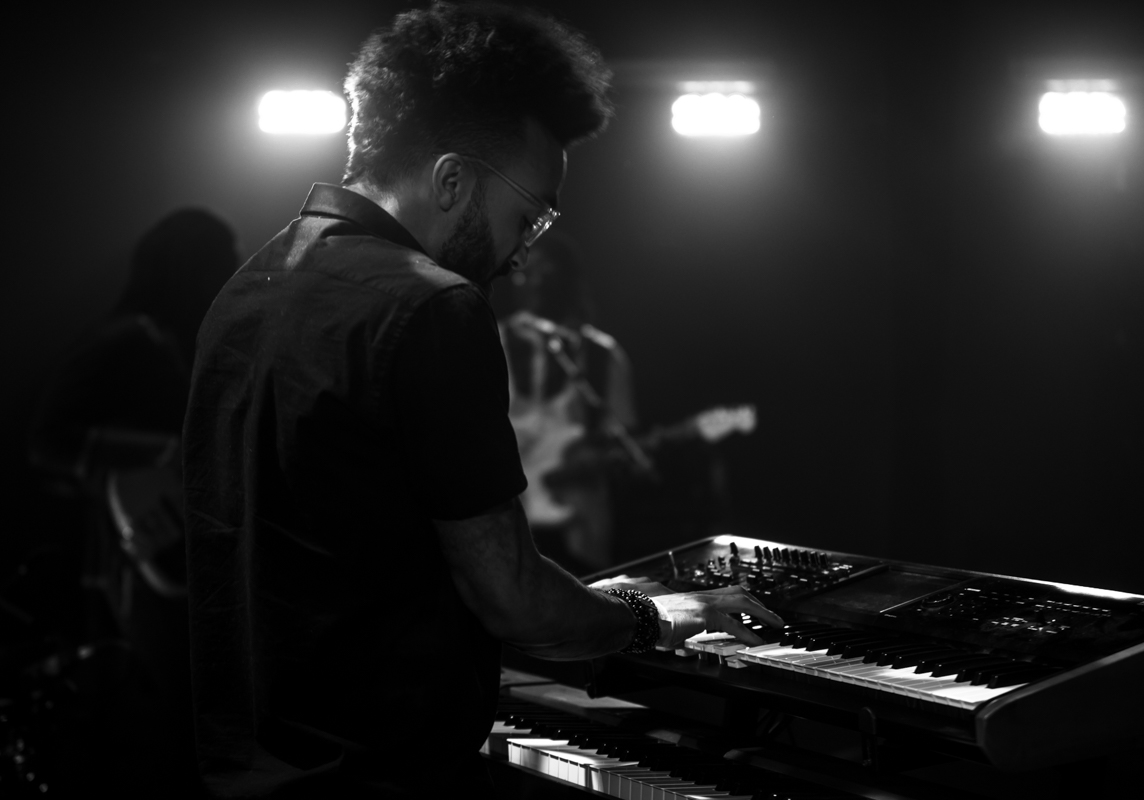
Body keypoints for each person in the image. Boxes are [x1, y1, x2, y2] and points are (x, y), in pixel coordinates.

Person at [182, 4, 782, 798]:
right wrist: (654, 615)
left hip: (243, 773)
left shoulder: (247, 289)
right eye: (527, 217)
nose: (522, 255)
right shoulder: (432, 306)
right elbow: (513, 599)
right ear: (452, 180)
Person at [28, 207, 238, 794]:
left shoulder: (166, 341)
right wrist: (167, 451)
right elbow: (47, 440)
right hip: (136, 570)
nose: (233, 271)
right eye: (221, 259)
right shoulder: (126, 338)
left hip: (162, 562)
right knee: (159, 729)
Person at [495, 230, 637, 573]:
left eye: (548, 271)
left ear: (569, 279)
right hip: (509, 523)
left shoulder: (603, 355)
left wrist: (594, 463)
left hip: (579, 528)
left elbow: (622, 443)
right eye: (527, 271)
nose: (536, 281)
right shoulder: (490, 338)